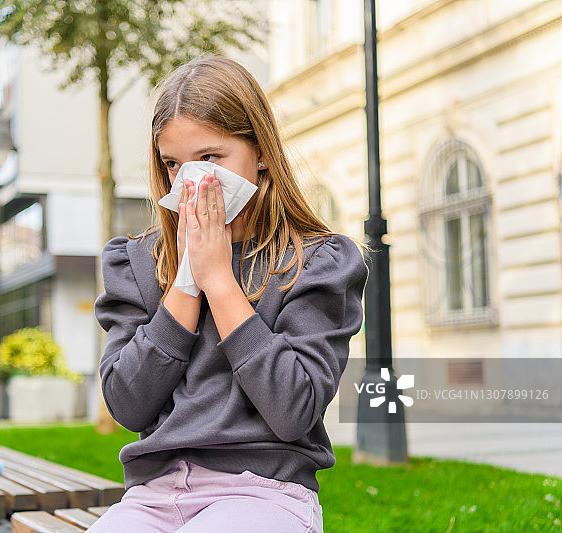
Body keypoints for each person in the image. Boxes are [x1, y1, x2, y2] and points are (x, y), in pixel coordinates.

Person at [91, 56, 367, 533]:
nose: (191, 182)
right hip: (154, 497)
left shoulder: (317, 263)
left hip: (263, 491)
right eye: (174, 164)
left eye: (211, 158)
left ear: (260, 151)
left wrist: (219, 281)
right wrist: (185, 281)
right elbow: (128, 405)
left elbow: (293, 410)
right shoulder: (136, 263)